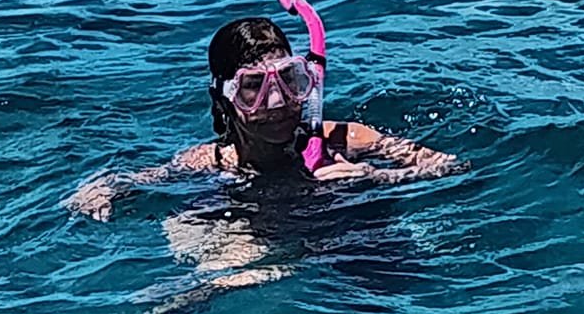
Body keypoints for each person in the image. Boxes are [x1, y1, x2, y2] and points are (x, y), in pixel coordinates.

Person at [64, 15, 457, 224]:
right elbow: (140, 179)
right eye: (253, 87)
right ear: (224, 98)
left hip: (351, 241)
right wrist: (100, 188)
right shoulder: (209, 162)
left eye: (290, 80)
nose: (278, 102)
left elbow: (450, 166)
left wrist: (377, 177)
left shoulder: (346, 139)